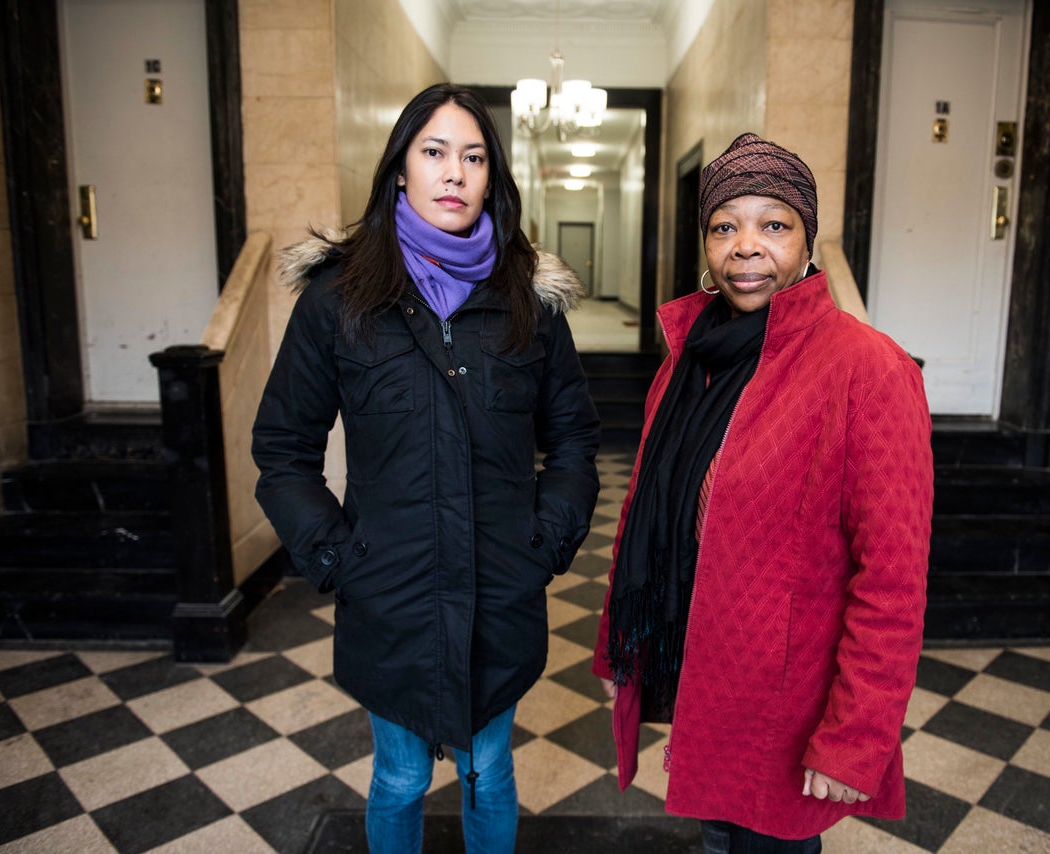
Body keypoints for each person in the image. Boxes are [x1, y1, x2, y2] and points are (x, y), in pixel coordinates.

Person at [252, 83, 600, 854]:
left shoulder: (529, 303)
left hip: (499, 589)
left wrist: (542, 543)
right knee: (402, 778)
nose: (454, 173)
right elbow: (282, 450)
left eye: (473, 156)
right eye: (434, 152)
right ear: (399, 170)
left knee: (488, 771)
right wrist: (340, 559)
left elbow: (574, 439)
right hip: (391, 596)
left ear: (492, 176)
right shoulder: (339, 300)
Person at [592, 132, 933, 853]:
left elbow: (893, 580)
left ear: (808, 243)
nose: (746, 247)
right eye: (725, 226)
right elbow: (643, 516)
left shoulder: (867, 370)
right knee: (721, 838)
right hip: (701, 675)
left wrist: (855, 736)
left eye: (773, 224)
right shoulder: (688, 361)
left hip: (788, 704)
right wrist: (621, 657)